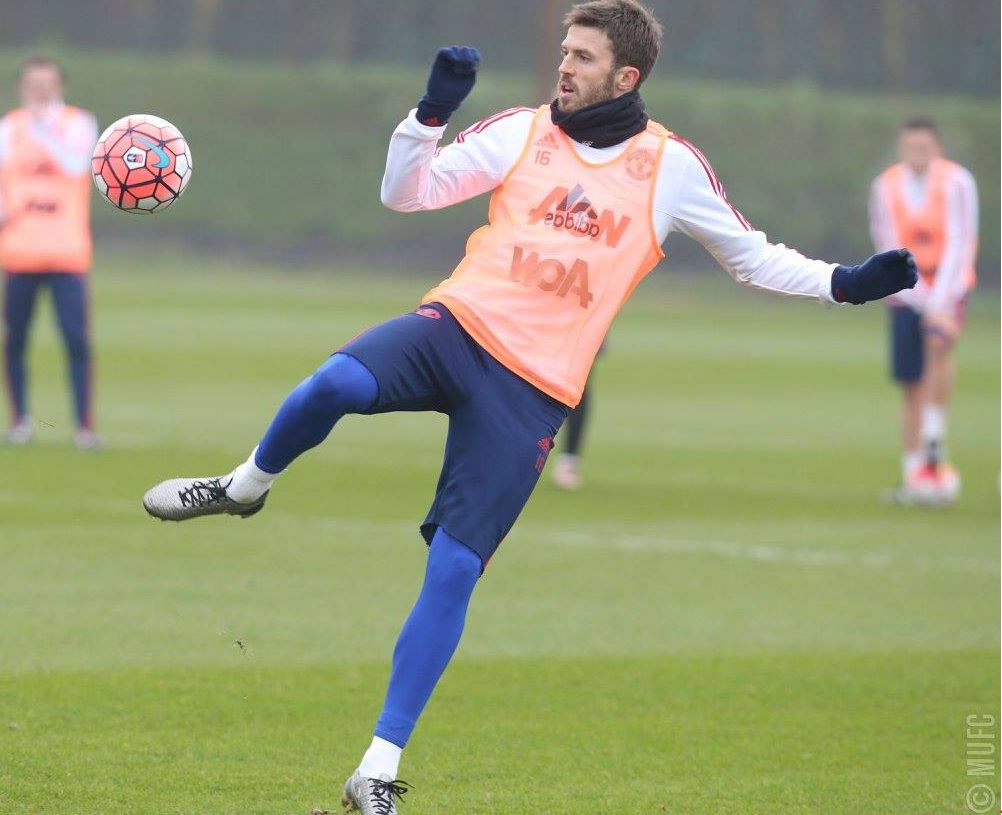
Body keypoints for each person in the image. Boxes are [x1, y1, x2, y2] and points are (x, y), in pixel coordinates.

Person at [142, 2, 916, 811]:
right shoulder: (522, 129)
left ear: (626, 76)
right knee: (333, 382)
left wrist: (848, 285)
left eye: (582, 57)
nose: (564, 66)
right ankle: (243, 486)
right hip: (456, 326)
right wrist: (429, 116)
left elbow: (752, 259)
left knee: (453, 570)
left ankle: (373, 770)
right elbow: (406, 194)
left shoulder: (670, 166)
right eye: (564, 51)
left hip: (534, 389)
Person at [869, 116, 978, 505]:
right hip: (906, 292)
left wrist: (938, 302)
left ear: (937, 148)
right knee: (910, 382)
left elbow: (960, 243)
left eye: (924, 147)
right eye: (910, 147)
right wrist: (918, 297)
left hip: (947, 289)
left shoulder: (957, 183)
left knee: (938, 345)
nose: (917, 155)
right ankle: (913, 473)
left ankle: (934, 445)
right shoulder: (886, 186)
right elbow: (888, 243)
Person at [0, 56, 100, 448]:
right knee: (15, 340)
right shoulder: (8, 128)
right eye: (32, 85)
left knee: (76, 340)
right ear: (22, 87)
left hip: (66, 254)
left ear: (60, 87)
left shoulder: (78, 124)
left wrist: (42, 126)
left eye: (47, 85)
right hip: (20, 254)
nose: (39, 92)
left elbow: (76, 165)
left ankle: (84, 427)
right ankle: (21, 421)